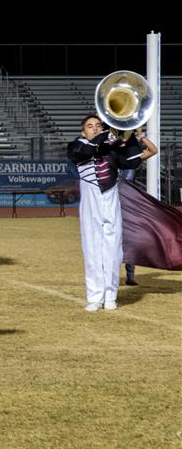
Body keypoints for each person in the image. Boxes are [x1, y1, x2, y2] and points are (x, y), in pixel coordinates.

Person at [67, 114, 143, 311]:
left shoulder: (111, 149)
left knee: (113, 247)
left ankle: (110, 295)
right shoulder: (76, 146)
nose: (95, 128)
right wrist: (107, 134)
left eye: (98, 125)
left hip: (110, 198)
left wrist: (132, 133)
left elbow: (133, 161)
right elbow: (85, 152)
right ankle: (95, 297)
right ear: (83, 131)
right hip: (90, 201)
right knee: (92, 247)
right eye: (90, 126)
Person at [119, 128, 158, 285]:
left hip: (128, 201)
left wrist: (141, 136)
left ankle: (130, 276)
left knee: (131, 239)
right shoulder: (110, 156)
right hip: (112, 201)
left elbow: (153, 150)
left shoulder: (132, 158)